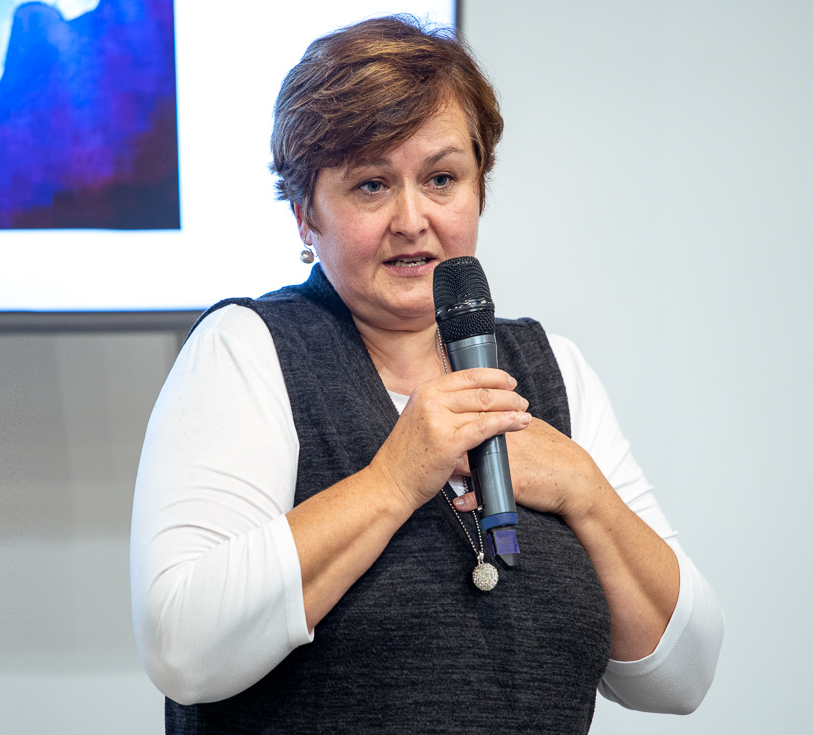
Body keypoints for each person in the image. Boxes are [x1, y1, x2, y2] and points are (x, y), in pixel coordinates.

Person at [130, 15, 723, 734]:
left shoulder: (553, 369)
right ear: (305, 215)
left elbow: (684, 674)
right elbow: (182, 646)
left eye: (441, 179)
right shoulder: (246, 351)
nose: (412, 219)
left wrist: (585, 492)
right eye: (371, 185)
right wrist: (393, 479)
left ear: (479, 188)